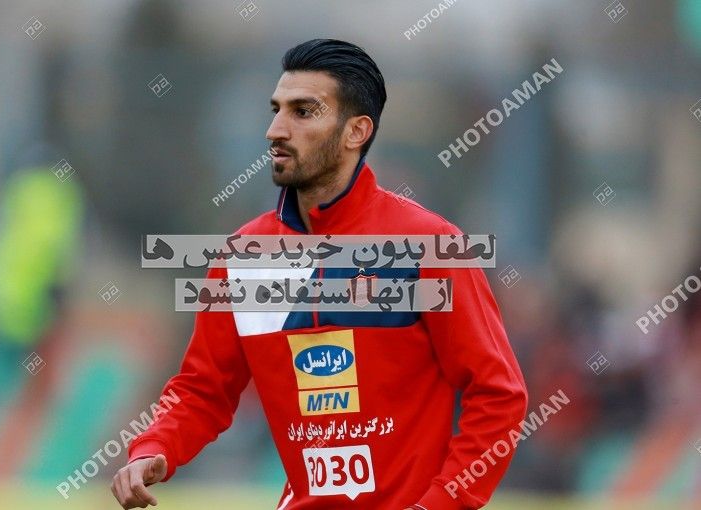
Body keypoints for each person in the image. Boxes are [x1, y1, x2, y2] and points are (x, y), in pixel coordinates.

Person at [111, 38, 528, 510]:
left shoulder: (431, 246)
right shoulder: (242, 257)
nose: (275, 130)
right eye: (276, 110)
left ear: (356, 132)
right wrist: (154, 448)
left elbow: (499, 396)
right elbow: (203, 390)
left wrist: (441, 503)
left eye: (303, 112)